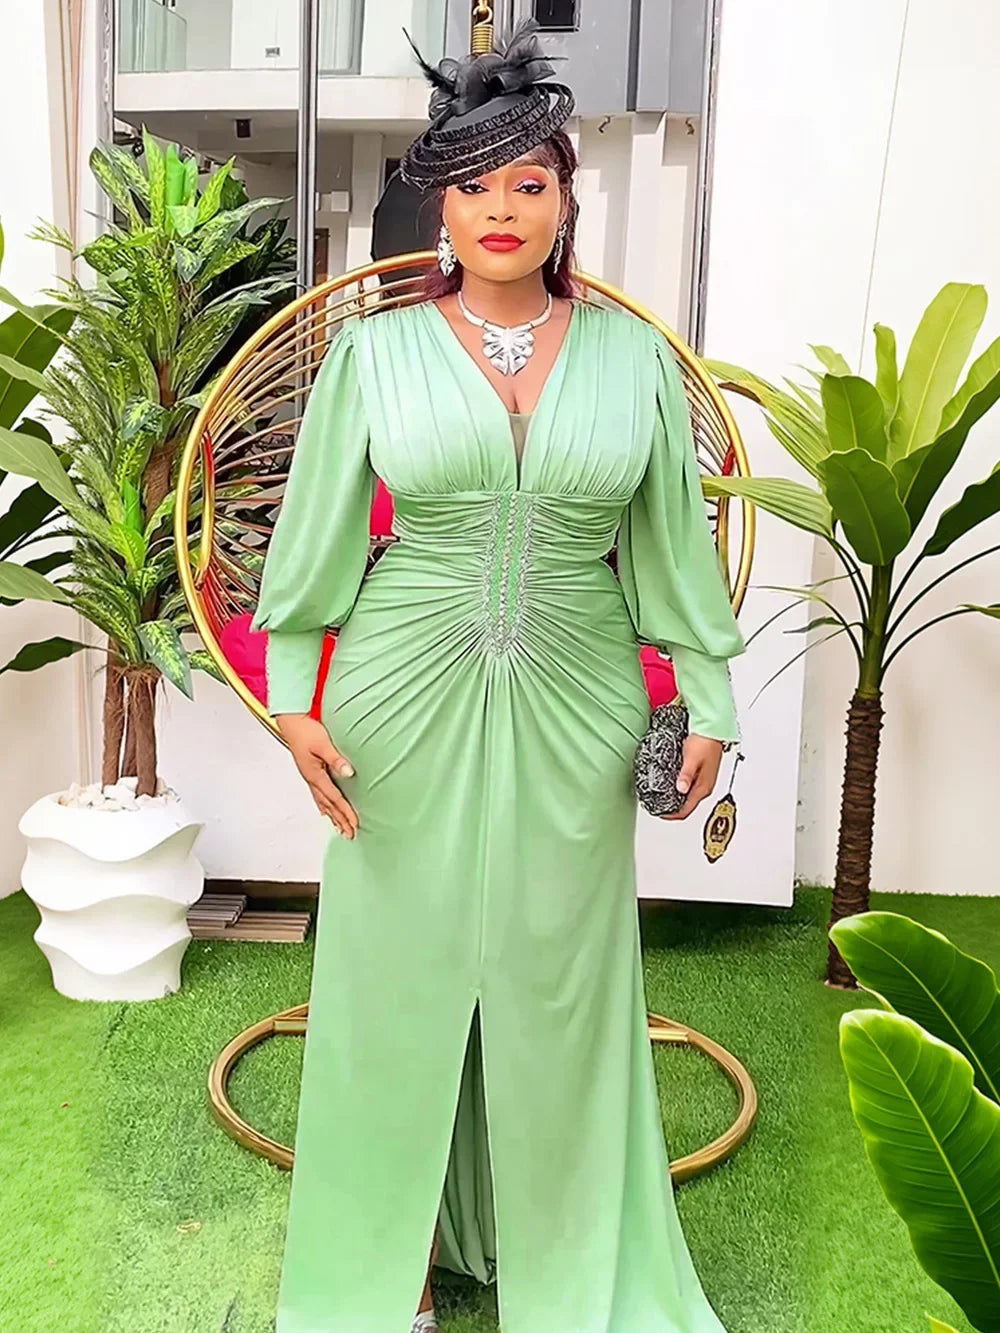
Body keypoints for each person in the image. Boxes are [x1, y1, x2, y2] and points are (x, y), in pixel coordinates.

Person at [249, 18, 746, 1333]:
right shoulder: (372, 354)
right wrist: (294, 703)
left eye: (530, 181)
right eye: (474, 186)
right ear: (442, 208)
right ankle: (390, 1270)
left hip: (584, 696)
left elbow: (670, 549)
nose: (502, 208)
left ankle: (564, 1270)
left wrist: (708, 697)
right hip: (396, 696)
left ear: (566, 200)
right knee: (392, 981)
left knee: (560, 983)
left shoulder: (635, 360)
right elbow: (312, 545)